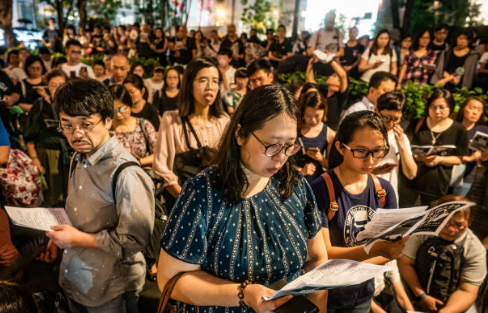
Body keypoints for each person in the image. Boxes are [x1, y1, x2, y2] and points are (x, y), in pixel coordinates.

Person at [157, 84, 328, 313]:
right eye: (272, 145)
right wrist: (243, 294)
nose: (280, 158)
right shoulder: (203, 192)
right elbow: (171, 280)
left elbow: (316, 259)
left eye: (289, 146)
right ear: (240, 134)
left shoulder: (294, 184)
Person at [39, 78, 154, 313]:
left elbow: (134, 240)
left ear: (108, 120)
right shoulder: (77, 157)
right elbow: (78, 210)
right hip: (74, 278)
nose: (76, 134)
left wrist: (77, 239)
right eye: (67, 125)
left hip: (110, 288)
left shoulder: (126, 172)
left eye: (86, 124)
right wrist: (57, 239)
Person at [311, 111, 408, 313]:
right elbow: (323, 253)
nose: (371, 160)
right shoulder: (321, 189)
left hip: (363, 293)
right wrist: (375, 250)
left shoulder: (384, 191)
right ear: (340, 147)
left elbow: (389, 250)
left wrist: (388, 250)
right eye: (361, 151)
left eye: (378, 151)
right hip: (327, 295)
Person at [152, 57, 230, 203]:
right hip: (181, 202)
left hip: (217, 203)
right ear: (189, 85)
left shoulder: (223, 121)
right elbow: (161, 167)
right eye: (203, 80)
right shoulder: (171, 120)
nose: (210, 86)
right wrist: (190, 202)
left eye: (215, 81)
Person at [399, 195, 487, 313]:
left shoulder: (475, 249)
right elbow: (405, 263)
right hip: (412, 290)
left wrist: (446, 311)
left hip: (451, 301)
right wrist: (422, 296)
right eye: (444, 222)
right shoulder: (422, 231)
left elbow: (467, 291)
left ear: (469, 222)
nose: (450, 229)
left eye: (458, 224)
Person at [399, 89, 468, 207]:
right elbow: (404, 148)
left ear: (450, 107)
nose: (437, 111)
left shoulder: (459, 130)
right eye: (433, 107)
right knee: (401, 217)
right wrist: (417, 157)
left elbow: (459, 159)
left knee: (428, 222)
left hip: (436, 187)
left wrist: (440, 160)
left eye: (442, 107)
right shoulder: (417, 123)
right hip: (409, 183)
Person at [23, 69, 71, 207]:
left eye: (60, 84)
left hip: (71, 154)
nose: (57, 88)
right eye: (53, 85)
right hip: (48, 154)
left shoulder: (73, 105)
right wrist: (34, 159)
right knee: (52, 194)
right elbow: (29, 135)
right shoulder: (40, 105)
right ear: (47, 87)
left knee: (71, 193)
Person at [374, 92, 417, 202]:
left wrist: (402, 145)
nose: (390, 123)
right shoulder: (364, 134)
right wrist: (374, 172)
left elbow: (411, 174)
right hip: (364, 195)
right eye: (386, 118)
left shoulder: (400, 137)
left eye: (395, 119)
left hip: (388, 198)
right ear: (376, 111)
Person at [109, 84, 157, 169]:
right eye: (114, 110)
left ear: (130, 104)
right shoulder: (106, 128)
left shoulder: (144, 125)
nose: (118, 115)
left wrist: (137, 162)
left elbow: (158, 154)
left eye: (122, 109)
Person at [295, 88, 336, 183]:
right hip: (294, 181)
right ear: (302, 113)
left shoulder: (329, 134)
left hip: (315, 183)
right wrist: (301, 170)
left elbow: (331, 166)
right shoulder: (294, 128)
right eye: (308, 116)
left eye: (317, 116)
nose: (313, 120)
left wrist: (320, 158)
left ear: (324, 112)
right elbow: (283, 161)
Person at [451, 97, 488, 196]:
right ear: (463, 108)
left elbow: (484, 158)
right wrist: (469, 158)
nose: (475, 112)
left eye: (479, 110)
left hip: (467, 176)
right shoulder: (453, 127)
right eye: (472, 108)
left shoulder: (483, 130)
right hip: (447, 172)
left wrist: (484, 154)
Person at [306, 54, 348, 131]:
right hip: (316, 127)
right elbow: (310, 80)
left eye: (334, 76)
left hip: (330, 131)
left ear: (339, 84)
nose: (330, 76)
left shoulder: (339, 96)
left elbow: (343, 76)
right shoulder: (322, 92)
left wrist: (331, 60)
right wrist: (310, 63)